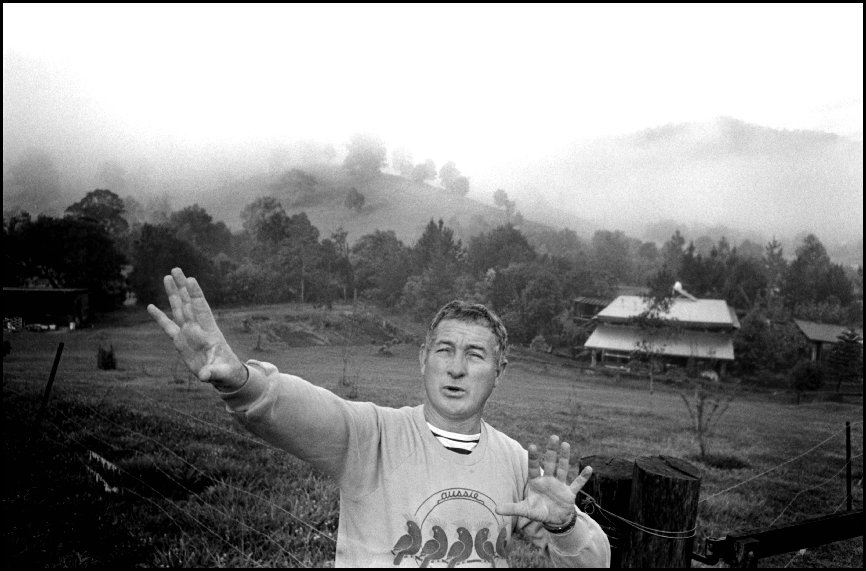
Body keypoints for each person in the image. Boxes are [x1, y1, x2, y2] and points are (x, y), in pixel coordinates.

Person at [148, 268, 610, 568]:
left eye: (475, 355)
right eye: (444, 350)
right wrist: (238, 379)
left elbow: (594, 563)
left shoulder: (514, 461)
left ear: (499, 372)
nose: (455, 367)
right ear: (423, 359)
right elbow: (298, 409)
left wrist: (563, 525)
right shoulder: (372, 435)